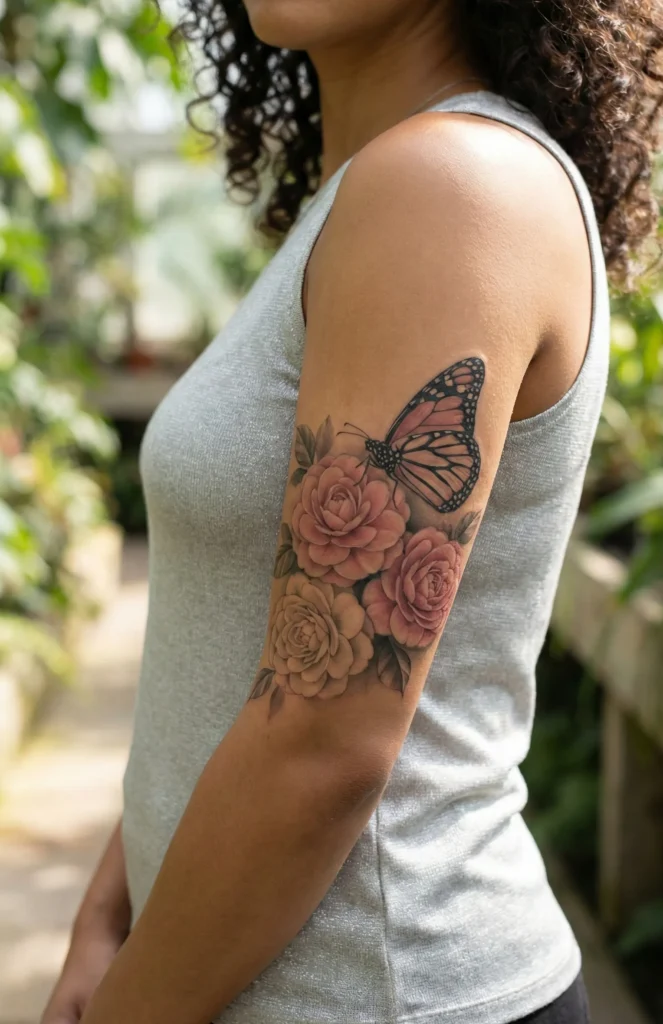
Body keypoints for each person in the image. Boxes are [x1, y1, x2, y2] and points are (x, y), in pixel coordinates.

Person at [42, 2, 663, 1024]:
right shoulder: (372, 191)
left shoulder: (450, 187)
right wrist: (112, 912)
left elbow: (326, 736)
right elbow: (236, 644)